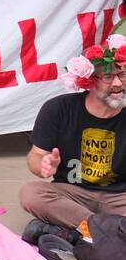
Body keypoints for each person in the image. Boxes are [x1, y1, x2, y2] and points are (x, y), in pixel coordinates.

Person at [20, 39, 126, 245]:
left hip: (120, 197)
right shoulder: (58, 108)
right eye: (108, 77)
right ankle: (109, 230)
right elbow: (36, 155)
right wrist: (44, 164)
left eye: (122, 75)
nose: (118, 84)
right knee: (31, 193)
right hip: (73, 193)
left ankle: (76, 232)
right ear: (89, 80)